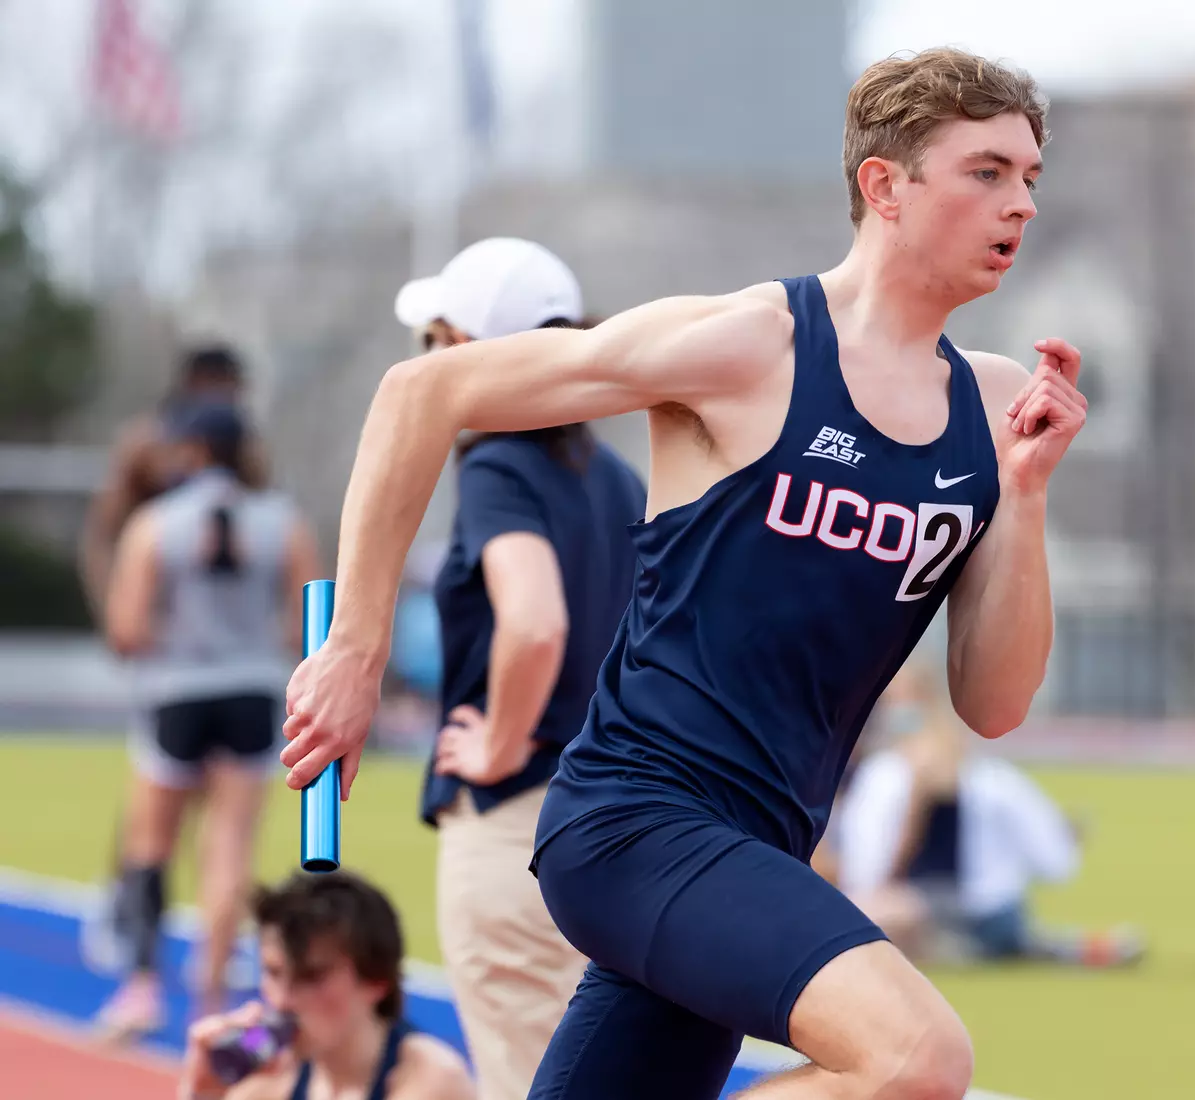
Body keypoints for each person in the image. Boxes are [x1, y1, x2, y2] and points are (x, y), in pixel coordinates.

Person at [283, 47, 1085, 1100]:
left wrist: (1022, 494)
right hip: (633, 818)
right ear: (885, 185)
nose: (1020, 203)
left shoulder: (992, 411)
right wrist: (354, 649)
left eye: (1030, 175)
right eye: (987, 171)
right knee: (917, 1059)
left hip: (758, 852)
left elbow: (993, 700)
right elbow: (420, 394)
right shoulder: (754, 345)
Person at [398, 237, 647, 1100]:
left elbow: (535, 620)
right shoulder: (615, 478)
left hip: (518, 819)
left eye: (434, 339)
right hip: (611, 814)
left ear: (466, 349)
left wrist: (502, 742)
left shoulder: (499, 461)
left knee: (537, 1080)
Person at [98, 401, 321, 1038]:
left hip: (176, 692)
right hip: (252, 693)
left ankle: (140, 988)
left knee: (150, 845)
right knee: (228, 849)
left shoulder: (156, 523)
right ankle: (213, 1001)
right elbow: (311, 618)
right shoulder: (284, 521)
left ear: (191, 451)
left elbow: (127, 628)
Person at [833, 662, 1143, 968]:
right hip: (992, 911)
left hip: (953, 908)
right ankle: (1077, 947)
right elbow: (1055, 861)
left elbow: (870, 866)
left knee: (859, 919)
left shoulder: (897, 776)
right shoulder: (982, 774)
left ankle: (963, 947)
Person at [178, 871, 474, 1100]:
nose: (282, 1001)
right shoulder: (265, 1081)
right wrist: (204, 1093)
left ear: (376, 980)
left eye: (311, 977)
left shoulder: (430, 1081)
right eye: (272, 972)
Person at [80, 346, 261, 616]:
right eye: (218, 389)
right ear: (194, 385)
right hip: (153, 606)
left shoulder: (245, 452)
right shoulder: (145, 446)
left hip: (216, 614)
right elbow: (101, 536)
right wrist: (116, 611)